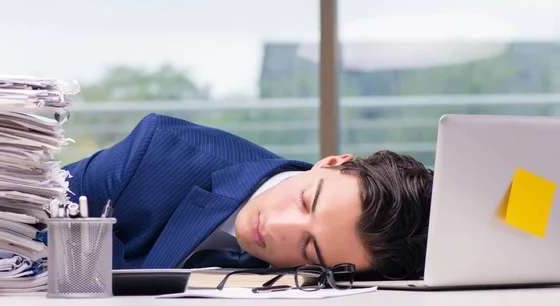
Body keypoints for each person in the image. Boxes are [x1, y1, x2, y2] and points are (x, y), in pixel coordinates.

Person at [64, 113, 433, 279]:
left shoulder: (353, 262)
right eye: (306, 202)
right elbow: (26, 220)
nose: (275, 227)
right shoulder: (157, 152)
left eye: (310, 250)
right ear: (331, 162)